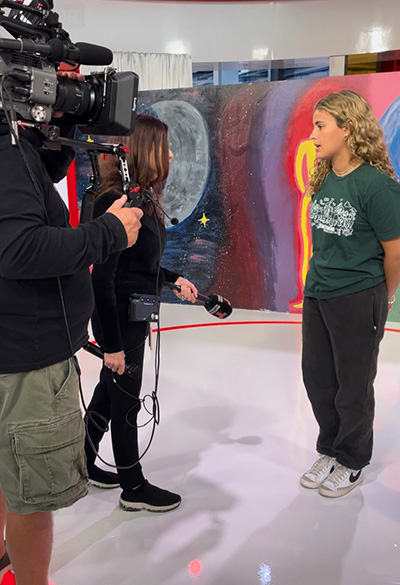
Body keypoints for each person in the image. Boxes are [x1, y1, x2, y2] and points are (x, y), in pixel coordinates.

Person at [0, 70, 143, 585]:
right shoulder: (4, 148)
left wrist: (48, 130)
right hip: (26, 362)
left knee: (10, 473)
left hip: (20, 352)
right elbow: (20, 248)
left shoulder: (16, 147)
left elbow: (31, 185)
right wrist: (106, 234)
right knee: (32, 496)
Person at [84, 114, 198, 512]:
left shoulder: (144, 198)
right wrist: (111, 345)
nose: (169, 153)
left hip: (135, 316)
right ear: (147, 150)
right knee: (125, 404)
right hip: (121, 322)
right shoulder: (114, 203)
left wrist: (173, 278)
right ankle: (133, 487)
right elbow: (102, 280)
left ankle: (84, 462)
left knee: (108, 393)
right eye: (164, 146)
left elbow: (139, 266)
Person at [300, 89, 400, 498]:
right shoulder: (323, 177)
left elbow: (395, 252)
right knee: (318, 379)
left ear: (349, 129)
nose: (314, 135)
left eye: (321, 126)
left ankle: (352, 459)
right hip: (318, 293)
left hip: (359, 296)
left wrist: (385, 297)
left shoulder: (377, 186)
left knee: (353, 385)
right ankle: (330, 449)